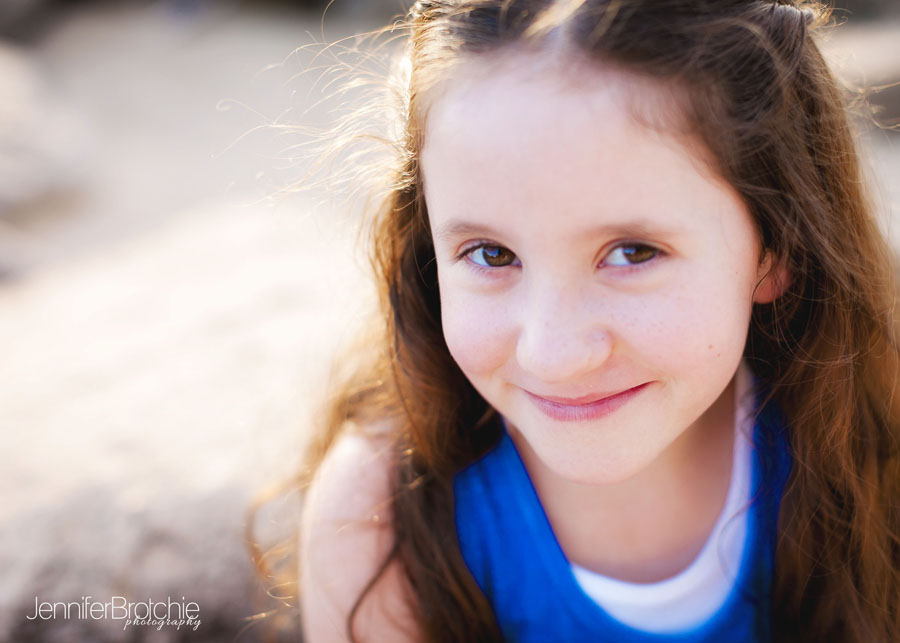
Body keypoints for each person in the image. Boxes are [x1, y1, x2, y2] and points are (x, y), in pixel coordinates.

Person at [295, 0, 900, 640]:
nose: (553, 353)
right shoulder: (377, 517)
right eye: (491, 255)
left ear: (776, 247)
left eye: (633, 253)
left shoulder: (874, 440)